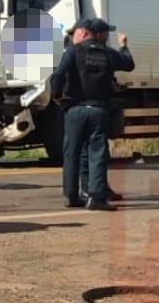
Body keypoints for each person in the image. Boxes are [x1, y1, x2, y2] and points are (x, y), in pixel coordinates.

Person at [50, 18, 133, 210]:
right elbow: (129, 64)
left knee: (71, 153)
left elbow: (58, 75)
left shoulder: (74, 51)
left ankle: (71, 196)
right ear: (99, 35)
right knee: (97, 153)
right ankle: (97, 198)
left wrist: (58, 98)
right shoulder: (108, 54)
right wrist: (124, 46)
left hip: (75, 110)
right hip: (98, 110)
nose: (107, 37)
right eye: (106, 33)